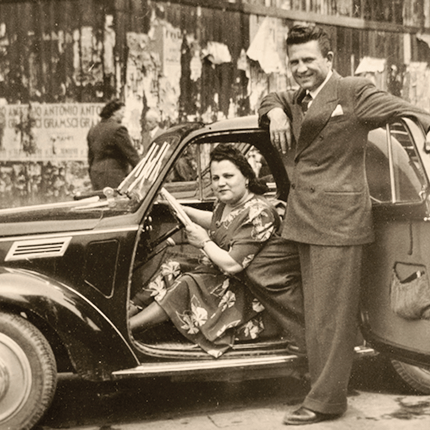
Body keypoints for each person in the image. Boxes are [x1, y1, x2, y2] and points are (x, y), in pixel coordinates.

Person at [258, 24, 430, 425]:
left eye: (309, 60)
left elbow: (409, 111)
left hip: (338, 224)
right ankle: (327, 369)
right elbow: (270, 97)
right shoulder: (296, 98)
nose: (301, 68)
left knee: (331, 318)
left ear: (330, 59)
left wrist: (427, 129)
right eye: (294, 62)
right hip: (304, 219)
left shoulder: (352, 91)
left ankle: (326, 400)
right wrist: (276, 112)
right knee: (268, 273)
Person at [129, 143, 305, 357]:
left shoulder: (259, 213)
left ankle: (128, 328)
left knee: (186, 283)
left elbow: (232, 265)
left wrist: (204, 242)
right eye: (215, 178)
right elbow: (219, 222)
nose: (221, 183)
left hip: (245, 292)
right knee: (173, 266)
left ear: (246, 177)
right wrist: (183, 210)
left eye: (228, 176)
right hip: (222, 276)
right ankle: (127, 314)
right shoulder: (227, 203)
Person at [87, 99, 140, 190]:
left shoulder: (93, 129)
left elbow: (91, 157)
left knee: (100, 198)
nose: (123, 115)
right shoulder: (118, 129)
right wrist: (143, 171)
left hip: (95, 174)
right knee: (114, 199)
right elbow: (131, 155)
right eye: (122, 112)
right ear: (114, 112)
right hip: (113, 175)